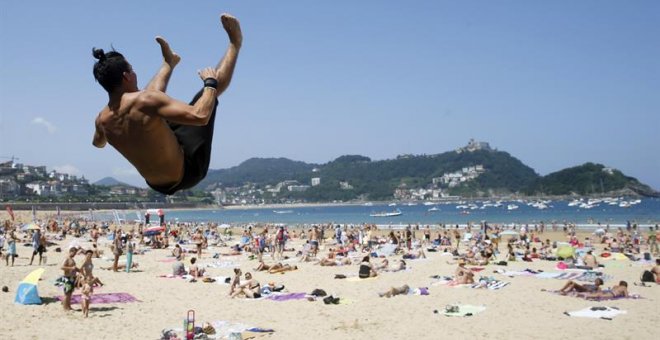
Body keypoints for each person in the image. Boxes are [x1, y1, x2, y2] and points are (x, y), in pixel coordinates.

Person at [91, 14, 242, 195]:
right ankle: (235, 44)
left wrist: (117, 135)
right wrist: (210, 83)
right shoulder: (145, 101)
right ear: (126, 76)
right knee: (204, 96)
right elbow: (201, 116)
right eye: (132, 70)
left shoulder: (101, 121)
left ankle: (168, 63)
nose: (134, 73)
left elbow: (98, 143)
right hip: (187, 171)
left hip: (156, 184)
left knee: (148, 107)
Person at [60, 247, 79, 311]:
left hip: (72, 277)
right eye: (74, 253)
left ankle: (68, 306)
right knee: (66, 293)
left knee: (70, 293)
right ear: (71, 251)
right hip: (67, 278)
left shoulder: (72, 259)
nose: (75, 254)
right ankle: (65, 307)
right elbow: (62, 267)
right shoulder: (67, 258)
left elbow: (74, 268)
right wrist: (71, 268)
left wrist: (78, 270)